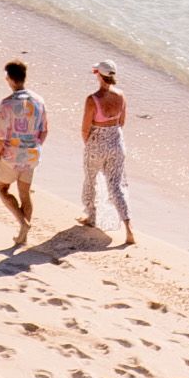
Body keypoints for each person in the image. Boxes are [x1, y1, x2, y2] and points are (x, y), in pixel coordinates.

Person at [79, 62, 135, 243]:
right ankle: (128, 227)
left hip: (97, 143)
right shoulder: (121, 96)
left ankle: (90, 216)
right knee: (116, 185)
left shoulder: (92, 99)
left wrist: (89, 144)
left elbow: (85, 128)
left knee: (91, 179)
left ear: (99, 75)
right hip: (116, 143)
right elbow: (122, 121)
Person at [0, 60, 47, 241]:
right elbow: (44, 130)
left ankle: (23, 223)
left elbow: (0, 136)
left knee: (2, 189)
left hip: (10, 155)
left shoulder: (7, 104)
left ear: (9, 79)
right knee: (25, 194)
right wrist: (34, 146)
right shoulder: (39, 101)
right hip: (31, 155)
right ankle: (23, 237)